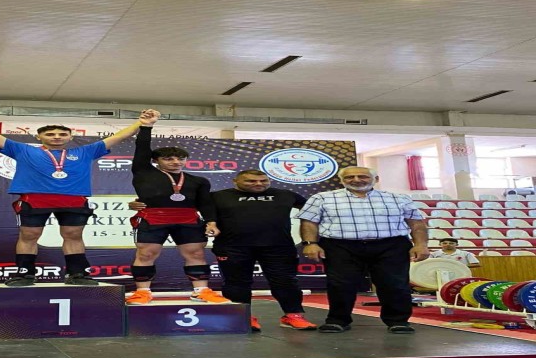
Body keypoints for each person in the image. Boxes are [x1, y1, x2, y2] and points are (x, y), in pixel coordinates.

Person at [0, 109, 159, 286]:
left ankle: (77, 273)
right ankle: (24, 274)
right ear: (38, 137)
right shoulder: (22, 149)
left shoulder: (86, 151)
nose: (57, 137)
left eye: (62, 134)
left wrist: (141, 123)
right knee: (29, 235)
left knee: (73, 235)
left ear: (70, 137)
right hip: (35, 199)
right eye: (50, 134)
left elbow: (119, 136)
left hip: (73, 200)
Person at [296, 166, 429, 334]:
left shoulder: (399, 198)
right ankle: (338, 320)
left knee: (395, 284)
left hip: (391, 246)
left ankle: (398, 321)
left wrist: (421, 244)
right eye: (350, 177)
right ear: (341, 180)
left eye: (362, 176)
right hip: (340, 246)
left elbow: (416, 224)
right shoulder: (322, 198)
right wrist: (310, 243)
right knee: (340, 285)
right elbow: (309, 222)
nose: (356, 180)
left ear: (376, 179)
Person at [125, 114, 229, 304]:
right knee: (146, 254)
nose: (176, 162)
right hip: (152, 218)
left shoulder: (199, 181)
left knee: (196, 254)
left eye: (181, 158)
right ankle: (142, 292)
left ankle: (201, 291)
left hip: (188, 219)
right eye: (169, 159)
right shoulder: (144, 172)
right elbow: (142, 149)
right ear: (156, 160)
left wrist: (211, 222)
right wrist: (146, 127)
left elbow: (205, 203)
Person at [210, 170, 316, 331]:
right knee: (236, 283)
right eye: (251, 181)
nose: (259, 184)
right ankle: (241, 317)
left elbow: (314, 212)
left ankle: (293, 315)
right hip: (233, 247)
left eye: (263, 180)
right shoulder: (217, 196)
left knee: (286, 282)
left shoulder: (286, 195)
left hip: (279, 246)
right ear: (235, 181)